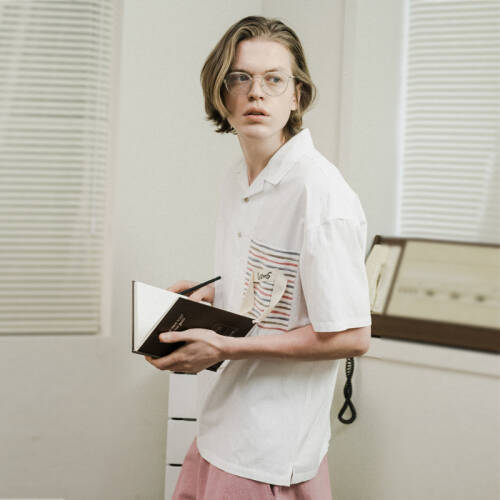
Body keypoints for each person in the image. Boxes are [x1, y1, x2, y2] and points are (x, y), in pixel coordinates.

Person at [146, 15, 372, 500]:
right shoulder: (238, 179)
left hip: (269, 450)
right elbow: (271, 289)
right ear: (220, 93)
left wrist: (224, 349)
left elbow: (352, 335)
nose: (256, 93)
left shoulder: (320, 195)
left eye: (274, 79)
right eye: (240, 78)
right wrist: (208, 299)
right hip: (219, 428)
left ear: (297, 96)